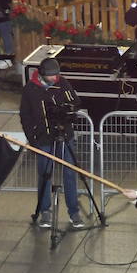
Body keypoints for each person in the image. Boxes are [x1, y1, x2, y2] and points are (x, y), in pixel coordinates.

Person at [20, 57, 89, 231]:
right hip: (43, 138)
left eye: (56, 75)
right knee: (44, 175)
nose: (54, 78)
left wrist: (66, 109)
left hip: (65, 135)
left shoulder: (62, 83)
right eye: (51, 76)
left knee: (70, 173)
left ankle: (74, 212)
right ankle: (45, 211)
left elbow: (75, 102)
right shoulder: (30, 90)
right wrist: (32, 139)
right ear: (42, 74)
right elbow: (25, 116)